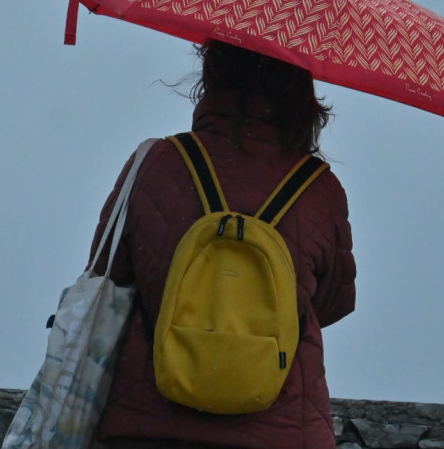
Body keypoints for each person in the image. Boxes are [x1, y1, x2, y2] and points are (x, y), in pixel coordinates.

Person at [87, 40, 357, 449]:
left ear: (211, 75)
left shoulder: (158, 162)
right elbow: (335, 301)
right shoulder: (320, 189)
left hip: (148, 425)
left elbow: (107, 270)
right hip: (282, 432)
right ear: (299, 91)